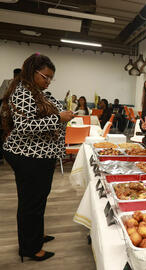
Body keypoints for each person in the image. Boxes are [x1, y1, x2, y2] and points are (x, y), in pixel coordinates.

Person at [1, 53, 74, 262]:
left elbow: (55, 110)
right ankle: (29, 248)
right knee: (30, 202)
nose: (48, 81)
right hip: (27, 155)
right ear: (33, 73)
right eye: (46, 76)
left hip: (40, 155)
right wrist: (58, 118)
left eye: (51, 77)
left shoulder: (40, 93)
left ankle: (35, 234)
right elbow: (24, 126)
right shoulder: (22, 92)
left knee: (39, 198)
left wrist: (62, 114)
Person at [0, 68, 21, 165]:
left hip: (9, 113)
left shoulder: (8, 83)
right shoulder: (22, 84)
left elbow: (1, 96)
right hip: (11, 112)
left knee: (5, 133)